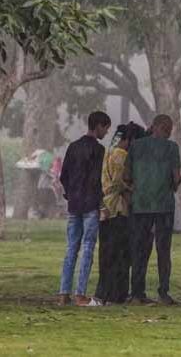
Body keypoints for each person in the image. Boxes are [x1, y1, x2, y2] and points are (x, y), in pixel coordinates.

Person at [58, 111, 112, 307]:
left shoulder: (73, 147)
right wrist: (101, 204)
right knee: (88, 248)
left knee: (71, 248)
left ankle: (63, 294)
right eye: (105, 128)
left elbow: (64, 176)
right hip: (90, 205)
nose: (106, 132)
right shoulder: (98, 150)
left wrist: (70, 194)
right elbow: (96, 179)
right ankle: (80, 294)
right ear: (98, 125)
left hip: (74, 205)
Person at [127, 114, 181, 305]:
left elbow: (127, 177)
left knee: (139, 249)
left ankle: (136, 293)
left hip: (140, 205)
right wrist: (172, 186)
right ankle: (163, 292)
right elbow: (176, 178)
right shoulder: (171, 148)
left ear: (153, 126)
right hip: (164, 206)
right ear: (164, 128)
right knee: (163, 250)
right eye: (169, 129)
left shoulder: (136, 146)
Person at [95, 121, 145, 304]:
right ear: (130, 140)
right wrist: (134, 188)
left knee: (106, 253)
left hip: (106, 209)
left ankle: (104, 291)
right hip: (119, 209)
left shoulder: (108, 153)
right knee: (121, 254)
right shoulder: (122, 155)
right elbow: (121, 182)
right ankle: (117, 293)